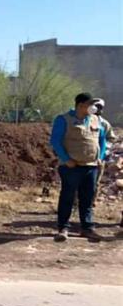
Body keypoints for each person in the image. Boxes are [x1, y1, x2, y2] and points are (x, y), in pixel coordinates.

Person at [49, 93, 109, 241]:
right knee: (67, 197)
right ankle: (63, 228)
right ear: (81, 105)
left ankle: (87, 228)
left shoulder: (96, 120)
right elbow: (55, 141)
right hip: (71, 167)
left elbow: (102, 140)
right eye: (91, 105)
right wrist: (66, 159)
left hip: (91, 167)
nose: (94, 108)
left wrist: (100, 157)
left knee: (87, 199)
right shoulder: (63, 120)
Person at [92, 98, 117, 204]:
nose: (98, 109)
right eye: (96, 106)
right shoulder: (83, 120)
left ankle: (91, 202)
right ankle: (75, 203)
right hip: (83, 156)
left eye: (100, 107)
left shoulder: (104, 124)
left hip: (99, 158)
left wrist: (104, 151)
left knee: (95, 182)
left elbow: (111, 138)